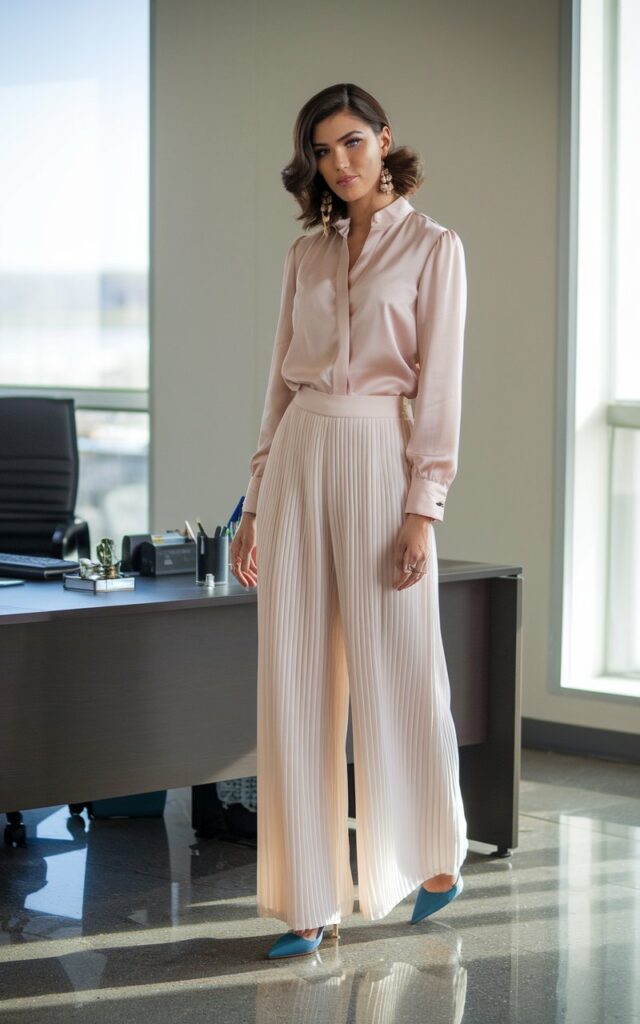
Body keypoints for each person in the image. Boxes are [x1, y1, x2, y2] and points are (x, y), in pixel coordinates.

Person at [230, 82, 469, 961]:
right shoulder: (307, 255)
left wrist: (423, 509)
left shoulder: (435, 248)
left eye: (354, 143)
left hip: (381, 455)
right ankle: (309, 900)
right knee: (294, 672)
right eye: (325, 151)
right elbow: (279, 387)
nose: (341, 163)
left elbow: (438, 389)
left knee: (400, 659)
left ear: (385, 141)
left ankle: (436, 852)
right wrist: (253, 502)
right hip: (298, 455)